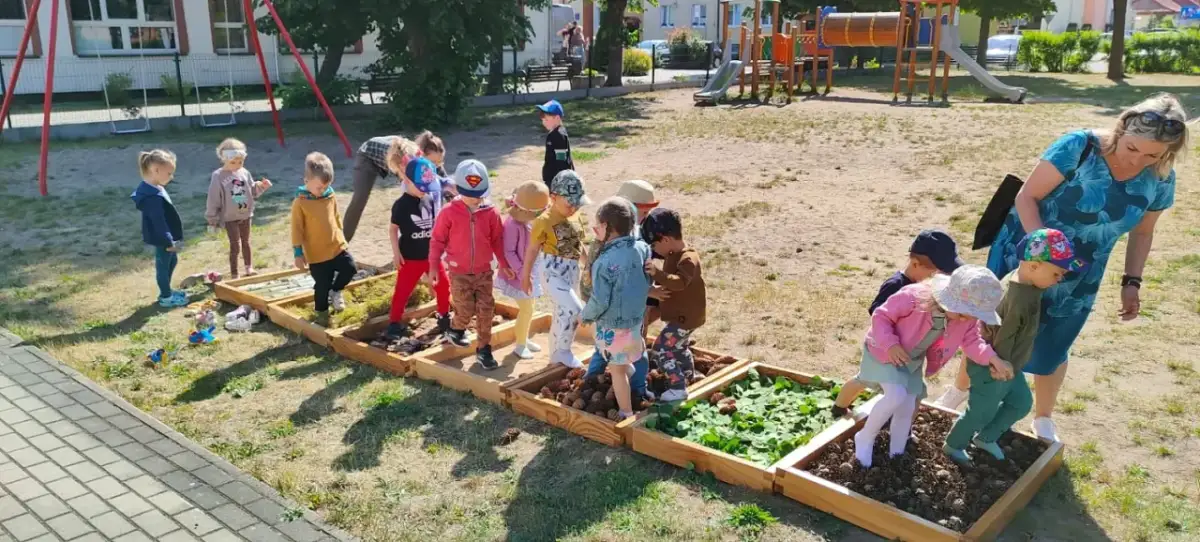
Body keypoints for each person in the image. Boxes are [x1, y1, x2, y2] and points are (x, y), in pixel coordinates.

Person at [986, 93, 1188, 442]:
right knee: (994, 332)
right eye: (1132, 148)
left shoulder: (1162, 177)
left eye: (1153, 154)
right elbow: (1026, 197)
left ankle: (1044, 418)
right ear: (1121, 129)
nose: (1139, 160)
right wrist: (1041, 251)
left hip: (1080, 273)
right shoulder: (1080, 145)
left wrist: (1132, 282)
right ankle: (962, 398)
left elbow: (1143, 233)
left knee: (1054, 343)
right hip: (1025, 252)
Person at [944, 229, 1086, 463]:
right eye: (1057, 273)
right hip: (992, 365)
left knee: (1021, 403)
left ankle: (986, 437)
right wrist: (1000, 367)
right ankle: (954, 444)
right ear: (1034, 266)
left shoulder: (1025, 281)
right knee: (981, 410)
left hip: (1010, 365)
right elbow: (1004, 338)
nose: (1059, 279)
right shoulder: (1018, 298)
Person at [854, 265, 1013, 468]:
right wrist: (891, 345)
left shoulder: (966, 319)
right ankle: (865, 437)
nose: (968, 320)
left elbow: (973, 341)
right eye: (963, 315)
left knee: (908, 404)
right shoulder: (913, 297)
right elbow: (881, 316)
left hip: (910, 361)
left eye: (973, 316)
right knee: (895, 396)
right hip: (883, 351)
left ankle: (896, 451)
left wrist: (993, 359)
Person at [831, 229, 962, 417]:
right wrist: (890, 342)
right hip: (884, 349)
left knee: (911, 391)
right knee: (864, 380)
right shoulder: (897, 285)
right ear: (916, 264)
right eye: (936, 273)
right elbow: (877, 314)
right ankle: (839, 408)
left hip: (908, 354)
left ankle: (900, 428)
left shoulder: (932, 292)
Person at [429, 160, 513, 370]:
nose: (476, 198)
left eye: (480, 193)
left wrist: (502, 263)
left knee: (486, 311)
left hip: (484, 272)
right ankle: (456, 329)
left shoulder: (491, 212)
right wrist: (433, 266)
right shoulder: (448, 212)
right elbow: (437, 240)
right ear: (457, 188)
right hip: (459, 272)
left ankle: (484, 350)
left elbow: (497, 239)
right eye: (470, 194)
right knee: (464, 309)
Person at [581, 197, 653, 421]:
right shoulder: (642, 248)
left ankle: (626, 412)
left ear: (606, 228)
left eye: (597, 226)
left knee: (617, 372)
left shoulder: (605, 261)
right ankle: (635, 384)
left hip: (613, 325)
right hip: (635, 320)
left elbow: (600, 300)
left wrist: (586, 316)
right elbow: (647, 280)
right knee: (628, 357)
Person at [523, 170, 591, 368]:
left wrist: (588, 267)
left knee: (562, 313)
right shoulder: (543, 221)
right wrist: (526, 275)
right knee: (575, 309)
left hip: (572, 271)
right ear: (553, 198)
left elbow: (579, 244)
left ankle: (555, 355)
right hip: (552, 270)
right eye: (570, 203)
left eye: (577, 203)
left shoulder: (576, 216)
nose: (573, 208)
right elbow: (532, 249)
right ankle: (564, 350)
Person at [642, 208, 706, 402]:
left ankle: (677, 386)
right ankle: (688, 375)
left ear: (665, 240)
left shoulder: (688, 259)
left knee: (662, 348)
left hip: (684, 318)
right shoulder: (672, 253)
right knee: (679, 348)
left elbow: (678, 282)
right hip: (686, 316)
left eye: (654, 245)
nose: (654, 251)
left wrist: (657, 274)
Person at [384, 156, 452, 340]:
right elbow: (393, 229)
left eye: (428, 188)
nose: (424, 192)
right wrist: (396, 253)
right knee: (403, 291)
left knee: (444, 286)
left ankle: (444, 317)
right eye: (421, 188)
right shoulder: (400, 205)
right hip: (410, 258)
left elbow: (435, 225)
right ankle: (394, 323)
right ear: (407, 181)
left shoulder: (429, 199)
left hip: (432, 257)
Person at [342, 131, 449, 242]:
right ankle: (342, 243)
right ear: (422, 155)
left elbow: (446, 185)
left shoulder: (430, 161)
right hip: (368, 155)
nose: (436, 166)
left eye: (440, 162)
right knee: (360, 198)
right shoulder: (407, 160)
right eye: (433, 162)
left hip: (393, 155)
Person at [291, 152, 357, 323]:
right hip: (317, 253)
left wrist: (342, 237)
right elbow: (297, 229)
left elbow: (336, 217)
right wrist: (298, 252)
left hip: (336, 246)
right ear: (306, 181)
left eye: (326, 187)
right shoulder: (301, 202)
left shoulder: (330, 195)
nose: (323, 191)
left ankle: (336, 291)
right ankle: (321, 315)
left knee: (350, 268)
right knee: (322, 285)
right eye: (319, 187)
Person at [497, 181, 551, 359]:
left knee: (531, 307)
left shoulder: (526, 222)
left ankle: (524, 338)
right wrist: (522, 273)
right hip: (518, 275)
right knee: (526, 309)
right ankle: (520, 344)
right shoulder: (513, 226)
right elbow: (509, 252)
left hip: (528, 272)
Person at [205, 138, 272, 279]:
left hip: (246, 214)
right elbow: (213, 198)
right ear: (224, 159)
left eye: (240, 162)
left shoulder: (244, 172)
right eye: (233, 162)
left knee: (246, 242)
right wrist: (212, 217)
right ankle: (234, 273)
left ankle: (249, 267)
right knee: (235, 245)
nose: (237, 165)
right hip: (230, 217)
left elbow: (252, 190)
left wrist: (261, 186)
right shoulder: (218, 176)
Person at [131, 149, 186, 308]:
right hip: (162, 237)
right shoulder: (151, 197)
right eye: (169, 173)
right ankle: (166, 297)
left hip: (167, 234)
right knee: (163, 264)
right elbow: (158, 221)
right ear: (156, 170)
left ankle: (166, 290)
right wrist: (168, 240)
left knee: (172, 260)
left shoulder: (156, 188)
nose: (171, 177)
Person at [538, 101, 574, 187]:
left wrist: (559, 181)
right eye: (542, 120)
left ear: (557, 118)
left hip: (558, 181)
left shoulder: (558, 135)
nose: (544, 122)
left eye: (546, 119)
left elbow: (561, 160)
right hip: (552, 179)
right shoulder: (554, 133)